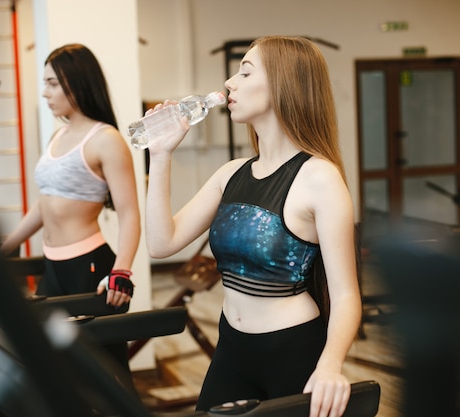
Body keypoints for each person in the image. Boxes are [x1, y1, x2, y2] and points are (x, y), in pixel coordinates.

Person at [144, 36, 361, 417]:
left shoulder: (320, 179)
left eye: (245, 72)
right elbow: (162, 244)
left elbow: (345, 296)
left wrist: (329, 365)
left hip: (293, 352)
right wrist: (160, 156)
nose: (230, 82)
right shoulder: (231, 174)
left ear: (284, 85)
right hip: (231, 347)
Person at [0, 43, 141, 378]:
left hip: (89, 268)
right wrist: (6, 245)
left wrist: (121, 272)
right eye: (44, 83)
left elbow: (130, 212)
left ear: (76, 83)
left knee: (106, 372)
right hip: (53, 266)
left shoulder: (106, 139)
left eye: (52, 83)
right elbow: (46, 202)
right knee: (53, 367)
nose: (45, 92)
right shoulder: (59, 134)